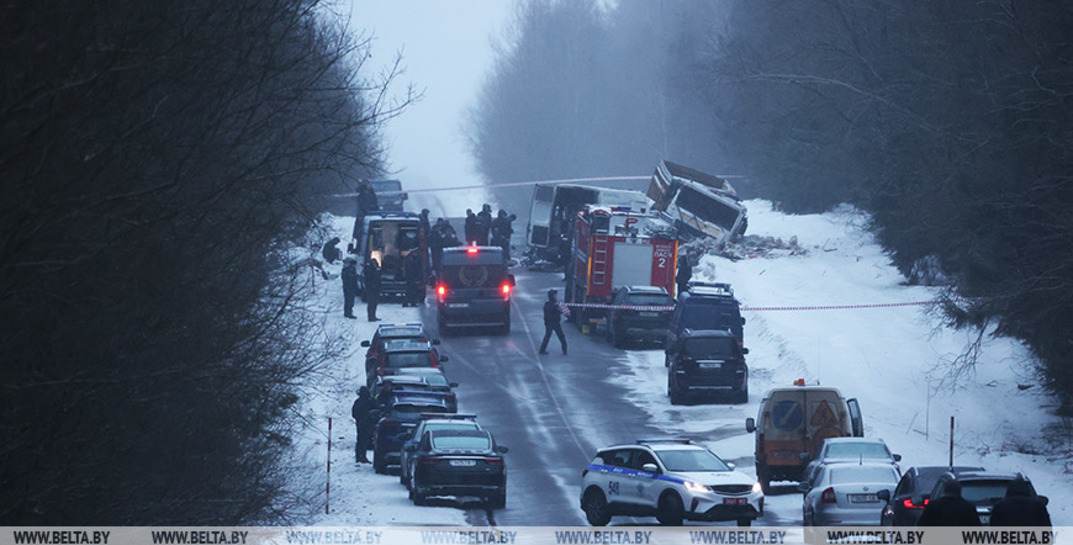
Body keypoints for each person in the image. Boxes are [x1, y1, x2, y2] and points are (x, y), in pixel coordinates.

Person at [917, 480, 982, 526]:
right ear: (959, 491)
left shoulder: (933, 506)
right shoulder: (968, 508)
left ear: (945, 490)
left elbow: (922, 526)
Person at [539, 289, 568, 355]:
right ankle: (564, 350)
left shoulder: (547, 304)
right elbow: (560, 311)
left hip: (549, 323)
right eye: (555, 295)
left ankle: (542, 350)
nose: (556, 296)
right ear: (552, 296)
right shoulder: (554, 305)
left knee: (547, 337)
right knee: (561, 336)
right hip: (554, 323)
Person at [351, 386, 374, 463]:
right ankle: (361, 456)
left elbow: (354, 413)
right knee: (363, 440)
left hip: (363, 423)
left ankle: (360, 456)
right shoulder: (369, 401)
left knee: (361, 440)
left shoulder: (358, 401)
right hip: (365, 423)